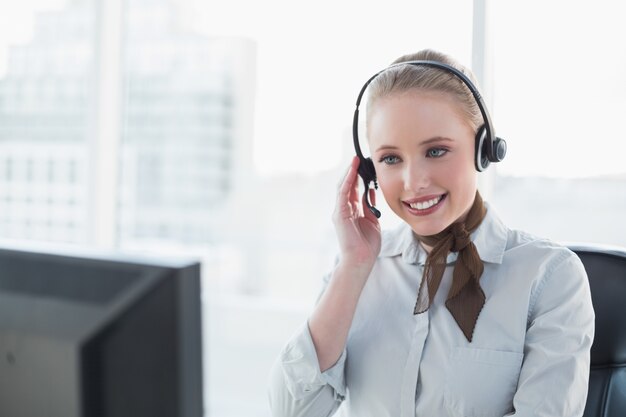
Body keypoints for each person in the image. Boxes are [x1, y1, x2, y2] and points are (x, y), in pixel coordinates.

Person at [267, 49, 595, 417]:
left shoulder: (549, 277)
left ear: (483, 149)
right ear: (369, 170)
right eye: (391, 159)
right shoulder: (357, 273)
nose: (414, 182)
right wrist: (353, 267)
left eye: (436, 151)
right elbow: (292, 410)